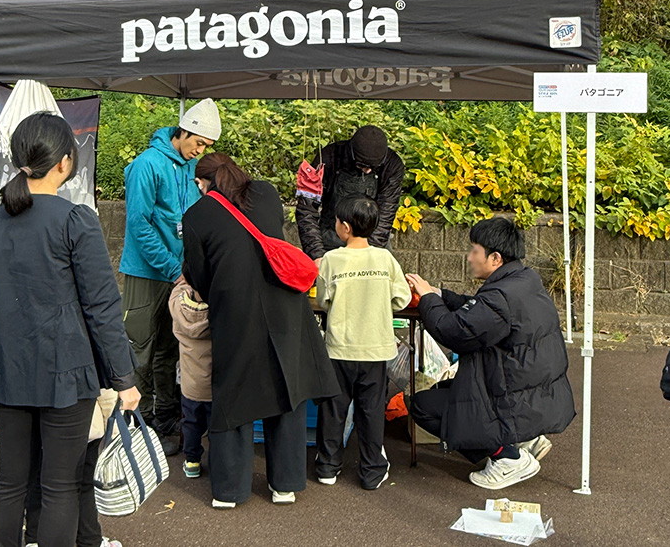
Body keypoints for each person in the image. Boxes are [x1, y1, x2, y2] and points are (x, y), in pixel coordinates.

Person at [0, 112, 140, 547]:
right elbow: (102, 306)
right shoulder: (75, 220)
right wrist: (124, 378)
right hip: (65, 369)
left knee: (9, 482)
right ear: (65, 162)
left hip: (8, 365)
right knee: (60, 486)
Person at [182, 152, 339, 508]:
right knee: (287, 390)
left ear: (205, 182)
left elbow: (199, 275)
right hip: (286, 306)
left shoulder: (196, 215)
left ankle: (229, 490)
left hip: (234, 311)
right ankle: (285, 484)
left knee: (233, 392)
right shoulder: (266, 194)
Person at [406, 217, 575, 491]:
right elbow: (476, 311)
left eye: (475, 251)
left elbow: (454, 332)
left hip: (513, 401)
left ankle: (507, 457)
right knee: (446, 390)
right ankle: (524, 438)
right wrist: (439, 294)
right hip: (535, 396)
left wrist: (427, 299)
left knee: (422, 406)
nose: (470, 257)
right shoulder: (524, 280)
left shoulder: (499, 297)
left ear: (495, 258)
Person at [119, 97, 220, 455]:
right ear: (185, 131)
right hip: (147, 272)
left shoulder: (189, 170)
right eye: (199, 143)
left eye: (207, 146)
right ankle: (139, 423)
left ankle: (164, 416)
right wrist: (173, 269)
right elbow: (138, 225)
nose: (200, 151)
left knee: (169, 348)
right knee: (140, 348)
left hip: (178, 273)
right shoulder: (146, 165)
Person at [313, 196, 411, 490]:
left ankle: (327, 467)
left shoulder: (331, 260)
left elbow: (323, 300)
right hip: (375, 349)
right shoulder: (385, 259)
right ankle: (371, 470)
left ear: (344, 227)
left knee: (334, 409)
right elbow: (402, 298)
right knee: (371, 411)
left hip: (340, 348)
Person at [23, 390, 121, 547]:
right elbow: (105, 390)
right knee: (80, 484)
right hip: (81, 418)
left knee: (37, 478)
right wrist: (113, 429)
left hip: (32, 412)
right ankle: (89, 539)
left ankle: (34, 538)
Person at [295, 125, 405, 264]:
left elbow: (386, 215)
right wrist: (316, 254)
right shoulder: (328, 158)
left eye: (373, 168)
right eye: (361, 165)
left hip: (372, 240)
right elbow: (306, 209)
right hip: (331, 235)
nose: (367, 171)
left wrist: (368, 256)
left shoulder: (392, 165)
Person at [169, 280, 212, 479]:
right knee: (215, 426)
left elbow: (177, 289)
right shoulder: (218, 309)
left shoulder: (177, 304)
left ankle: (192, 460)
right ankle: (218, 462)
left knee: (191, 423)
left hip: (189, 383)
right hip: (212, 385)